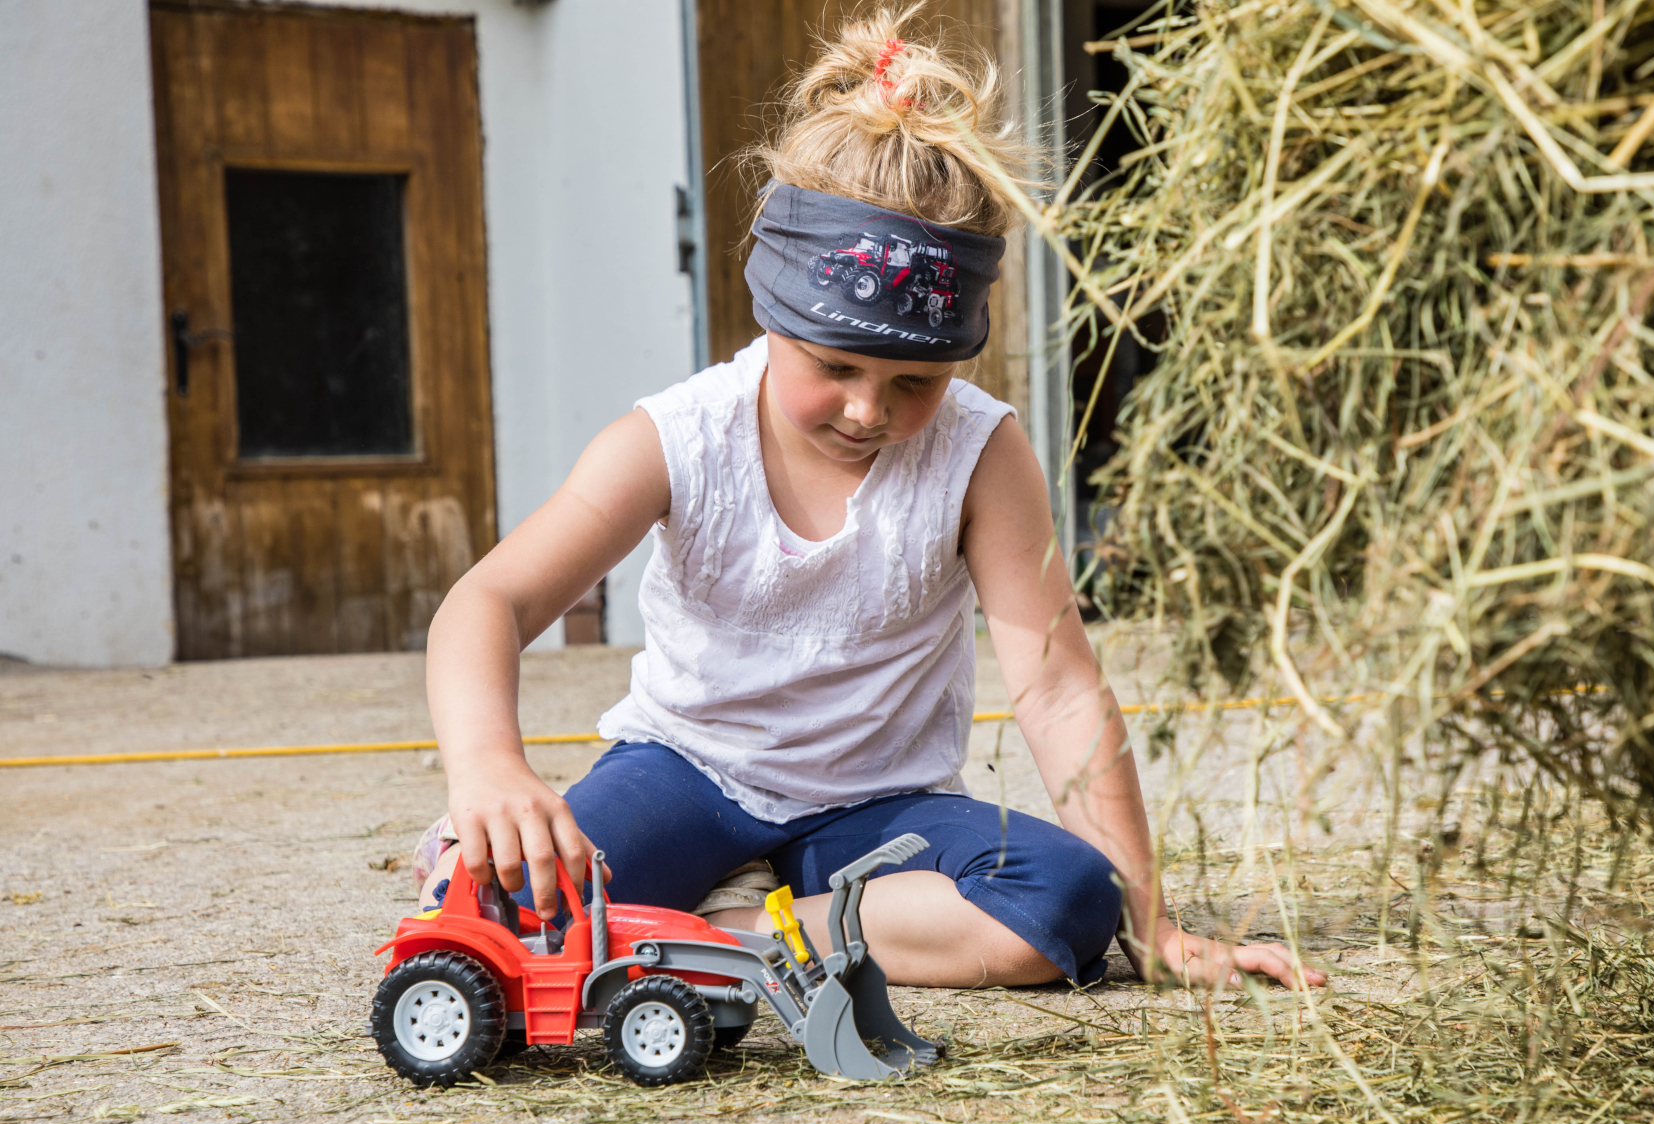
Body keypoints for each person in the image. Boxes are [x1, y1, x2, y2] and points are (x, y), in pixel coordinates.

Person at [414, 6, 1324, 993]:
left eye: (913, 382)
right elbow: (488, 603)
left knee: (1066, 903)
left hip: (875, 811)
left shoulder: (982, 453)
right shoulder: (675, 440)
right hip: (687, 774)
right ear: (771, 309)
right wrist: (487, 766)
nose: (868, 410)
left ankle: (728, 934)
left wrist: (1153, 923)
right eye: (836, 365)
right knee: (502, 914)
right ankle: (649, 899)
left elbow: (1058, 686)